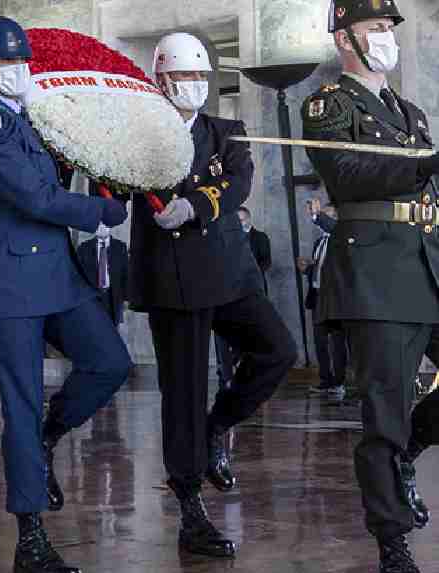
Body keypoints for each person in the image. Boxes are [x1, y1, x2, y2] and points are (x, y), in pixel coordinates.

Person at [0, 17, 132, 573]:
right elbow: (35, 197)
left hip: (57, 276)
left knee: (109, 363)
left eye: (21, 63)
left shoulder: (35, 118)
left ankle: (50, 436)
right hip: (10, 282)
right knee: (20, 405)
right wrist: (100, 214)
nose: (17, 72)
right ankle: (30, 538)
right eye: (6, 65)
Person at [125, 32, 296, 558]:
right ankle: (191, 508)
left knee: (277, 350)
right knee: (183, 393)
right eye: (184, 77)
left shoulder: (228, 131)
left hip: (230, 270)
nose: (195, 86)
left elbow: (238, 183)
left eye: (202, 76)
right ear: (161, 80)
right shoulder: (137, 134)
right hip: (174, 281)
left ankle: (219, 426)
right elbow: (112, 187)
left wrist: (195, 204)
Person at [301, 1, 439, 569]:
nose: (387, 38)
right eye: (376, 28)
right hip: (374, 275)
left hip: (425, 264)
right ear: (344, 41)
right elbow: (348, 176)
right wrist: (425, 164)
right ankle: (392, 540)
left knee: (397, 428)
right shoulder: (326, 106)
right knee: (383, 414)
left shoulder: (410, 112)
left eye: (389, 29)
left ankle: (408, 449)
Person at [297, 198, 347, 397]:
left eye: (328, 216)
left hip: (335, 300)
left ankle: (339, 381)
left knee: (337, 343)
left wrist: (318, 215)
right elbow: (321, 269)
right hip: (318, 297)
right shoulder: (320, 242)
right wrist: (307, 268)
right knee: (319, 341)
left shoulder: (341, 238)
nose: (323, 220)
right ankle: (325, 380)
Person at [77, 225, 128, 326]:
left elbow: (125, 273)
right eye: (99, 225)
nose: (102, 228)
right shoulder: (84, 247)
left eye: (105, 225)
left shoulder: (120, 246)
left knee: (113, 330)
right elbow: (78, 275)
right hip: (92, 297)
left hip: (113, 296)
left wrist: (126, 298)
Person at [238, 206, 272, 289]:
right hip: (236, 286)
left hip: (255, 284)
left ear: (248, 219)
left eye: (241, 220)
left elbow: (267, 261)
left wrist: (252, 274)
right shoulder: (232, 237)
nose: (238, 223)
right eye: (236, 221)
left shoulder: (260, 236)